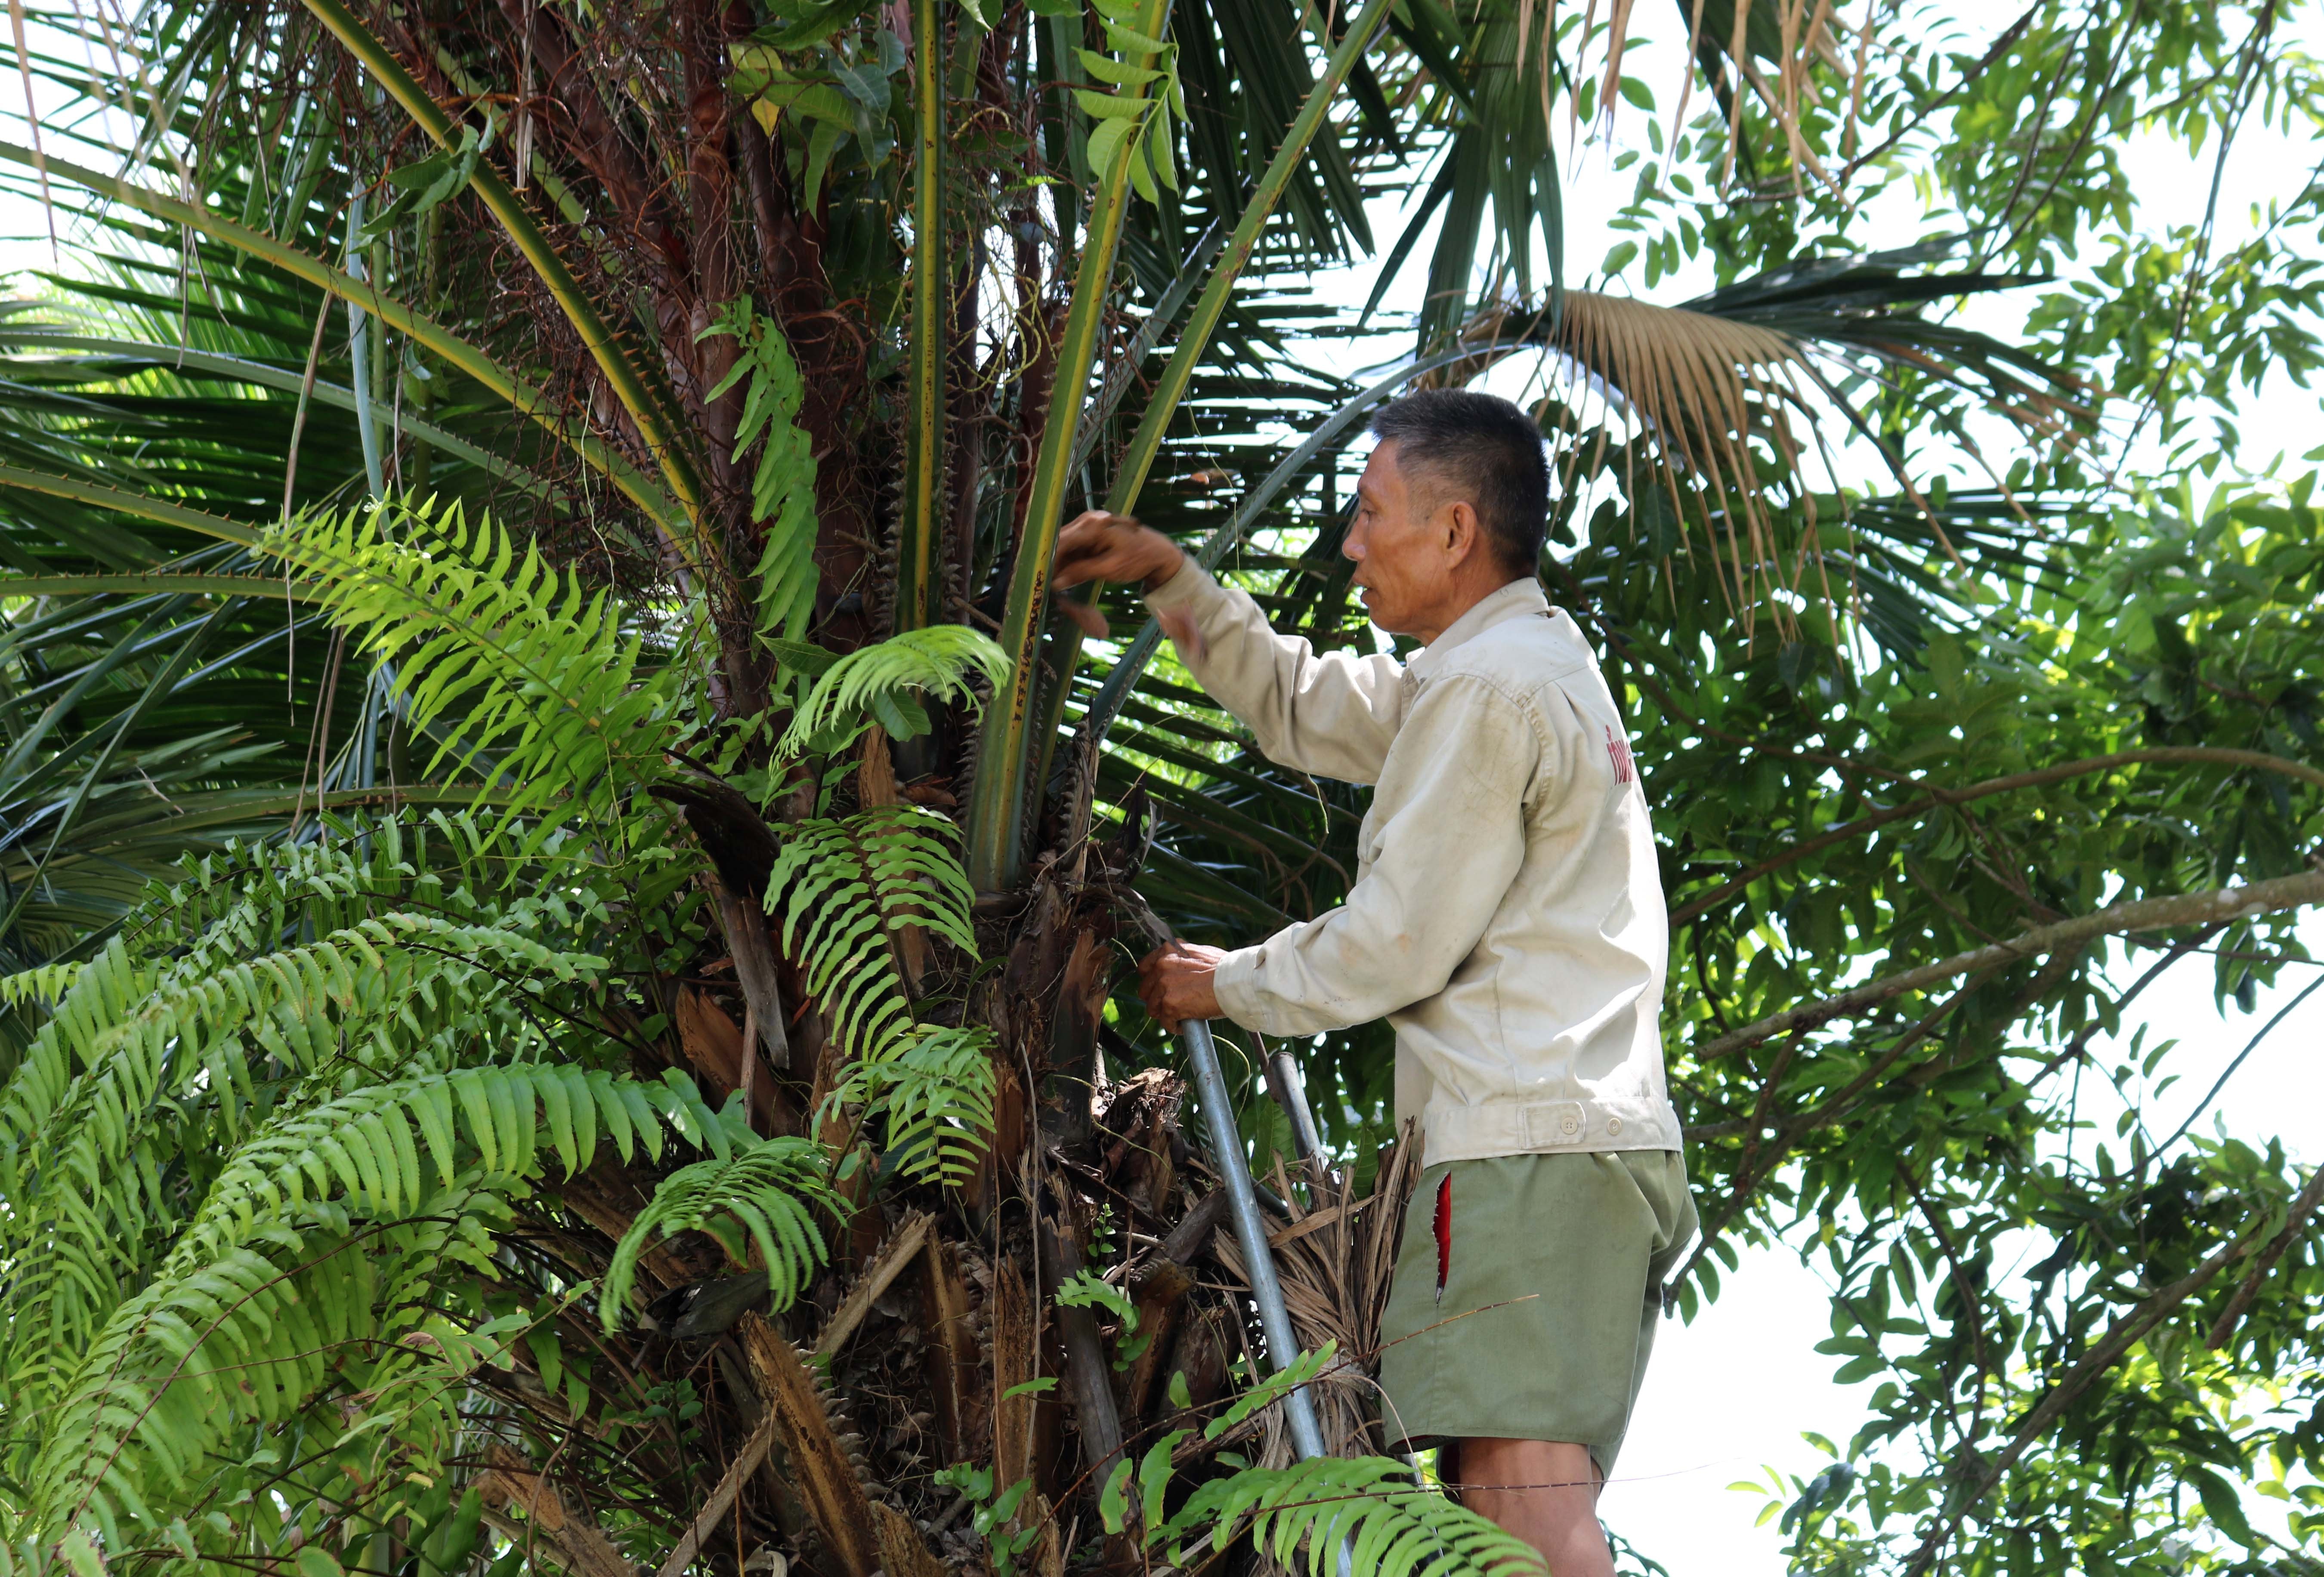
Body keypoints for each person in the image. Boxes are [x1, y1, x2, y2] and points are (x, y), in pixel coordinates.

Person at [1049, 389, 1694, 1577]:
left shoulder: (1491, 691)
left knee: (1514, 1503)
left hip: (1521, 1153)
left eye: (1370, 511)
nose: (1349, 541)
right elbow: (1304, 703)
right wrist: (1172, 581)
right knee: (1503, 1506)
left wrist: (1226, 984)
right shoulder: (1503, 669)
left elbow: (1399, 941)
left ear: (1454, 532)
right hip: (1572, 1150)